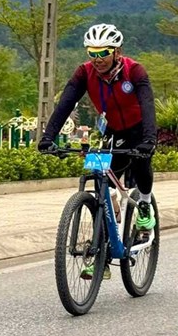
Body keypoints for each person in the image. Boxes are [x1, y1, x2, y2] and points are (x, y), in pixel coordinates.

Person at [38, 23, 158, 276]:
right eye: (92, 53)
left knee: (141, 164)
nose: (97, 59)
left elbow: (148, 105)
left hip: (139, 130)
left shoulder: (134, 71)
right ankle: (101, 253)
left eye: (103, 52)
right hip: (112, 132)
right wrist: (48, 136)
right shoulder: (84, 73)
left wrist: (149, 139)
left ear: (117, 51)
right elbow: (65, 104)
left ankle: (145, 205)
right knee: (103, 188)